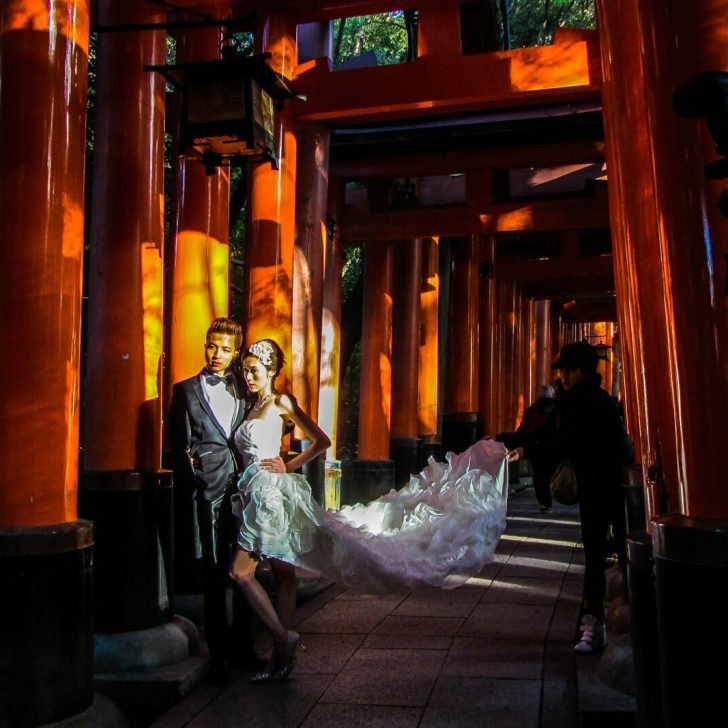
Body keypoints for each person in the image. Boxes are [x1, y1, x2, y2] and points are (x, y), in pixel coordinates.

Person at [229, 338, 510, 683]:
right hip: (253, 490)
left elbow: (321, 441)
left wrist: (290, 465)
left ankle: (281, 639)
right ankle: (281, 658)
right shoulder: (249, 405)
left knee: (240, 574)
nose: (247, 376)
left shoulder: (281, 401)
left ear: (271, 370)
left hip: (270, 494)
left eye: (253, 370)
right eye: (244, 369)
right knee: (284, 575)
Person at [506, 340, 632, 655]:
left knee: (621, 553)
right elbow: (544, 434)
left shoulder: (599, 404)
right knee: (593, 555)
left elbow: (569, 441)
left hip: (613, 486)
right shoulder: (567, 402)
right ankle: (593, 625)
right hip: (592, 489)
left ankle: (617, 621)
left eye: (566, 370)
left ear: (582, 372)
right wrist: (503, 441)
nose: (561, 375)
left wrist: (527, 450)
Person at [169, 317, 259, 684]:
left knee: (245, 571)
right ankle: (219, 655)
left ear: (235, 352)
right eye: (211, 346)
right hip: (207, 490)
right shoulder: (185, 390)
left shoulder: (246, 388)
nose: (216, 354)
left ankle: (245, 648)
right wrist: (195, 480)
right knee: (213, 571)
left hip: (245, 488)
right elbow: (178, 446)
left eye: (224, 348)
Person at [495, 383, 560, 512]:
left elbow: (525, 432)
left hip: (535, 447)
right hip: (552, 449)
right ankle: (552, 495)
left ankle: (544, 501)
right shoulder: (556, 411)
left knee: (539, 475)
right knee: (550, 473)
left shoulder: (531, 411)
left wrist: (503, 438)